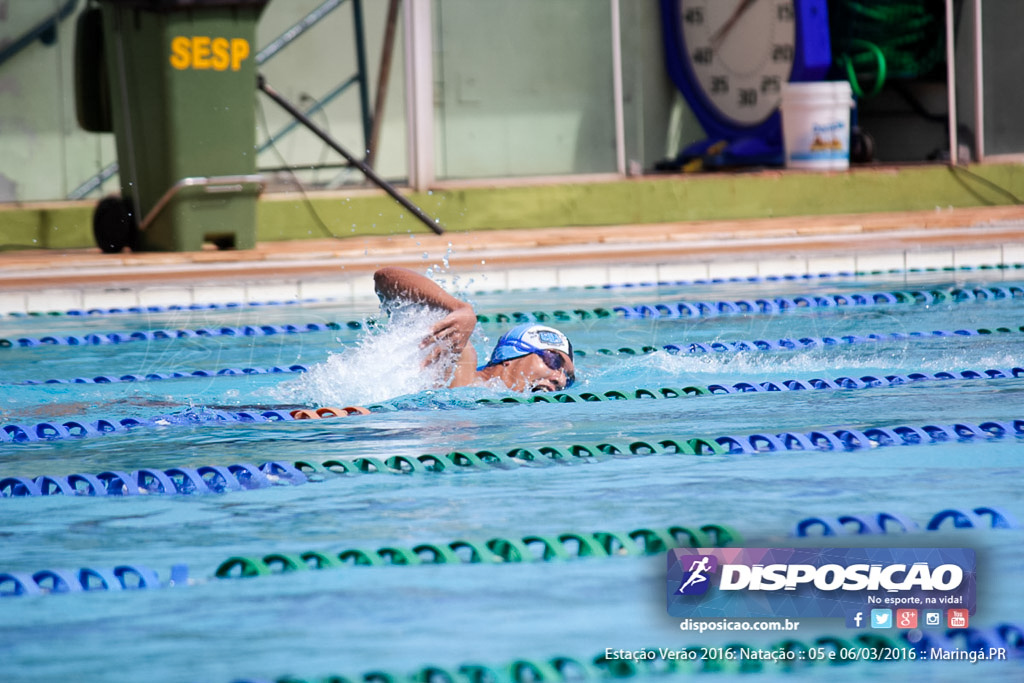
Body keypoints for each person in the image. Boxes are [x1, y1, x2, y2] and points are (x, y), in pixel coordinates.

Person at [373, 266, 575, 393]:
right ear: (510, 357)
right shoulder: (463, 361)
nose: (560, 378)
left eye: (568, 376)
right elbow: (384, 277)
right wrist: (459, 308)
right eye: (554, 361)